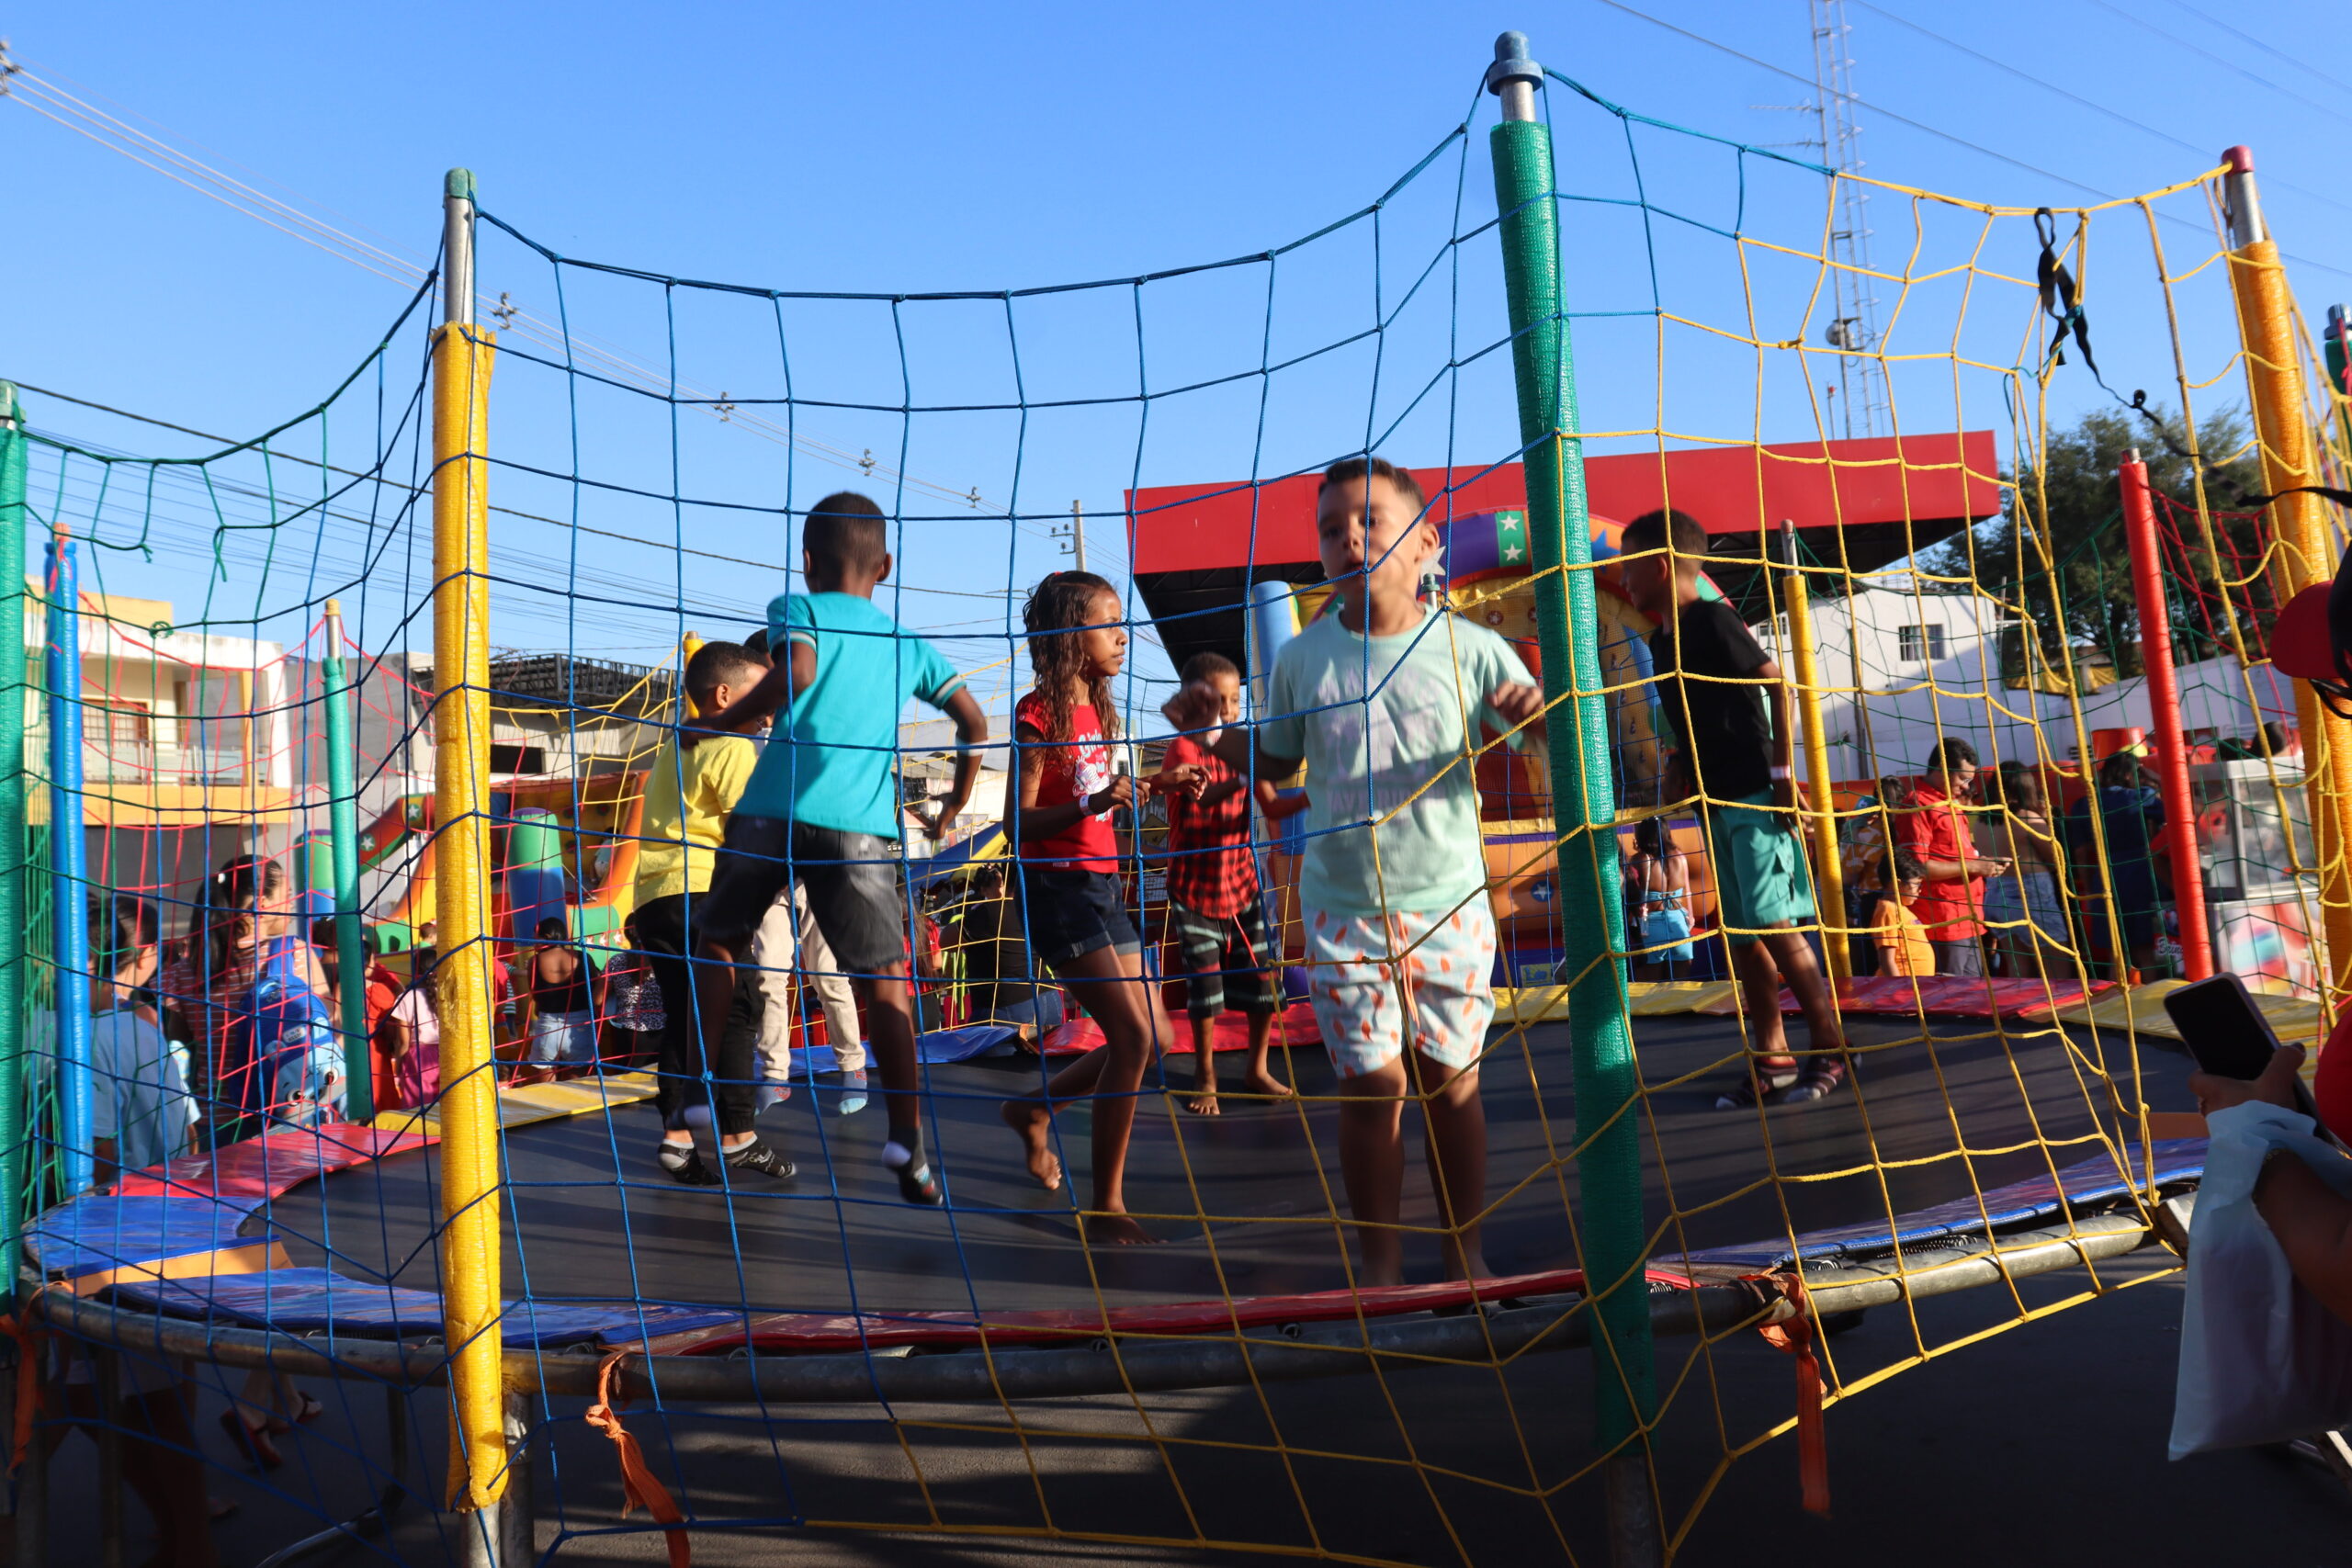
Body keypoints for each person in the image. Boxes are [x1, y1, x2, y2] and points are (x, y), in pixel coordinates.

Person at [1166, 457, 1535, 1284]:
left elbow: (1549, 740)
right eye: (1331, 528)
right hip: (1343, 909)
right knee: (1372, 1089)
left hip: (1449, 904)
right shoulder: (1305, 658)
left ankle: (1465, 1252)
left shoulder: (1471, 647)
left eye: (1370, 520)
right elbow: (1278, 759)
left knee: (1452, 1085)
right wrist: (1214, 732)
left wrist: (1538, 715)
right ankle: (1381, 1266)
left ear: (1427, 543)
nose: (1350, 537)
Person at [689, 492, 989, 1204]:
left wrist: (721, 724)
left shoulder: (797, 607)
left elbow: (794, 673)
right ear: (886, 566)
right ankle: (906, 1137)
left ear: (807, 561)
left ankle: (700, 1093)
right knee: (884, 976)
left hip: (770, 812)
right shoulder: (908, 645)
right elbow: (975, 724)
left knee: (719, 942)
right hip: (859, 826)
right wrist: (953, 800)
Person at [993, 568, 1202, 1243]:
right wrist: (1092, 801)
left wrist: (1158, 782)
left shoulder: (1099, 709)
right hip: (1059, 891)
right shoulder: (1037, 715)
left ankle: (1034, 1109)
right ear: (1068, 637)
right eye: (1108, 623)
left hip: (1103, 884)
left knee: (1157, 1037)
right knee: (1133, 1038)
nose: (1123, 635)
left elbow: (1101, 794)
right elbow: (1016, 822)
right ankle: (1107, 1206)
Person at [1618, 506, 1849, 1110]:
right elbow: (1695, 718)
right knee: (1742, 933)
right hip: (1713, 800)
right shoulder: (1661, 641)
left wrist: (1782, 774)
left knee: (1773, 922)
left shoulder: (1713, 619)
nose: (1624, 577)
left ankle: (1831, 1044)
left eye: (1630, 565)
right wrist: (1677, 763)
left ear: (1661, 565)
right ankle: (1772, 1057)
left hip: (1753, 792)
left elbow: (1777, 684)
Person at [630, 639, 785, 1184]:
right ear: (724, 696)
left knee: (686, 1016)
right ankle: (738, 1135)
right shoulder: (733, 742)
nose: (767, 708)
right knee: (737, 1006)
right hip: (703, 892)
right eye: (759, 694)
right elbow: (748, 830)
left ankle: (676, 1139)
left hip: (655, 898)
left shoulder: (677, 743)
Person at [1160, 649, 1308, 1115]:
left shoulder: (1242, 747)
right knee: (1206, 989)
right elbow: (1202, 801)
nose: (1227, 710)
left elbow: (1274, 805)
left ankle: (1256, 1068)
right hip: (1196, 891)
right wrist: (1245, 774)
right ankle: (1205, 1073)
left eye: (1234, 700)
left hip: (1242, 886)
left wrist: (1315, 793)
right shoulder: (1184, 749)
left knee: (1265, 982)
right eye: (1216, 700)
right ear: (1192, 701)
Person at [73, 894, 198, 1184]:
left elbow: (101, 1152)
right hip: (170, 1189)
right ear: (146, 954)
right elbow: (190, 1133)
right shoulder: (144, 1022)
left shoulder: (95, 1034)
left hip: (122, 1198)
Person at [1898, 738, 2007, 980]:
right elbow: (1917, 867)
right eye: (1963, 778)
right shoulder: (1917, 804)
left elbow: (1955, 857)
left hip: (1969, 917)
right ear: (1941, 769)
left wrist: (1982, 864)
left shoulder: (1951, 804)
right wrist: (1974, 866)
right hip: (1943, 922)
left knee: (1974, 992)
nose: (1967, 787)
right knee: (1949, 993)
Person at [2067, 749, 2166, 975]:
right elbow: (2175, 811)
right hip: (2142, 873)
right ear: (2130, 774)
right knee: (2146, 952)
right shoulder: (2142, 796)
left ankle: (2118, 995)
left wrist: (2089, 889)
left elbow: (2081, 852)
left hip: (2106, 876)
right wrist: (2156, 779)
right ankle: (2152, 994)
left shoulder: (2084, 804)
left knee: (2116, 954)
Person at [948, 863, 1065, 1038]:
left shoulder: (988, 912)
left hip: (1008, 1005)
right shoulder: (1038, 908)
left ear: (1001, 880)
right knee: (1048, 1055)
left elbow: (945, 940)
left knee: (993, 1055)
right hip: (1048, 996)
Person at [1977, 765, 2067, 980]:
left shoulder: (1982, 821)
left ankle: (2020, 1001)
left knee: (2019, 968)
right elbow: (2056, 856)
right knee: (2058, 968)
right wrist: (2046, 820)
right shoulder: (2026, 817)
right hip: (2030, 893)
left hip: (1996, 894)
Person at [520, 915, 597, 1075]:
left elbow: (535, 993)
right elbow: (593, 988)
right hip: (580, 1025)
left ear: (548, 937)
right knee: (580, 1084)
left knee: (544, 1084)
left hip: (547, 1025)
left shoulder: (535, 961)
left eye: (536, 939)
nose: (533, 943)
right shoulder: (583, 957)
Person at [1624, 816, 1694, 982]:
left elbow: (1631, 894)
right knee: (1681, 983)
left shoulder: (1640, 859)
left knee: (1651, 983)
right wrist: (1690, 917)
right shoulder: (1680, 857)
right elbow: (1688, 891)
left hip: (1651, 926)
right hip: (1679, 922)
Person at [383, 946, 442, 1111]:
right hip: (446, 1054)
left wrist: (398, 1067)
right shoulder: (446, 995)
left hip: (419, 1059)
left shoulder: (407, 998)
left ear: (415, 971)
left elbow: (403, 1041)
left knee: (418, 1109)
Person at [1861, 849, 1935, 978]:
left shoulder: (1902, 909)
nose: (1919, 890)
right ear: (1897, 883)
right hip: (1903, 985)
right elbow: (1886, 960)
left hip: (1916, 984)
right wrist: (1899, 986)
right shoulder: (1888, 910)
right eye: (1917, 884)